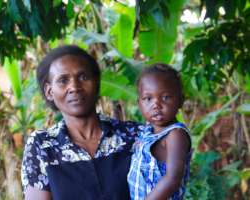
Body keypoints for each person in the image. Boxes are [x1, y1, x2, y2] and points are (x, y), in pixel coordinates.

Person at [21, 45, 142, 200]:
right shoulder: (42, 146)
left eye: (83, 77)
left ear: (97, 83)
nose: (74, 87)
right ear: (49, 91)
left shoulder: (132, 135)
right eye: (63, 80)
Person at [127, 63, 192, 200]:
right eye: (148, 99)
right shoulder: (147, 131)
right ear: (139, 103)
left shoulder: (175, 135)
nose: (156, 105)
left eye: (166, 97)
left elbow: (172, 179)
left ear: (180, 101)